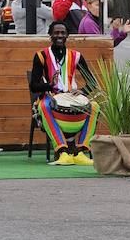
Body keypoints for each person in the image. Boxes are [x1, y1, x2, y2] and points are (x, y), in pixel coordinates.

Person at [30, 21, 101, 165]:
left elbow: (92, 82)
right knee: (44, 106)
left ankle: (80, 151)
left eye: (63, 33)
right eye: (56, 33)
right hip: (50, 97)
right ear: (50, 35)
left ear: (67, 35)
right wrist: (49, 85)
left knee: (94, 107)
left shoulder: (76, 56)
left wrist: (82, 91)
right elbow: (34, 86)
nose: (59, 36)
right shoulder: (41, 56)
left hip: (71, 97)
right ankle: (62, 151)